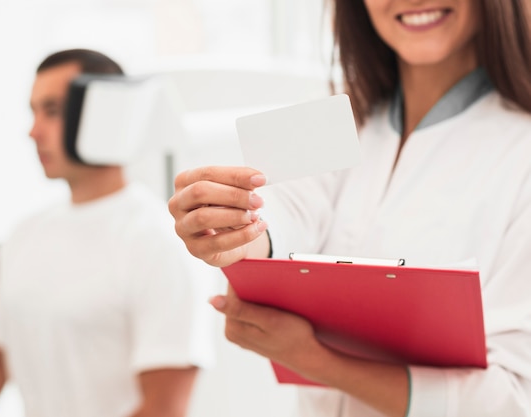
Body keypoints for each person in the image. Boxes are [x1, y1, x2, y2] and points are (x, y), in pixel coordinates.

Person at [168, 1, 531, 416]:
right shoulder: (341, 121)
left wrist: (317, 362)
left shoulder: (522, 151)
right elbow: (283, 220)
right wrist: (226, 228)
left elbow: (512, 401)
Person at [0, 48, 215, 417]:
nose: (33, 131)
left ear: (107, 115)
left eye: (52, 111)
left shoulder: (157, 241)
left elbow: (163, 409)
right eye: (33, 112)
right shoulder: (25, 234)